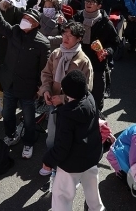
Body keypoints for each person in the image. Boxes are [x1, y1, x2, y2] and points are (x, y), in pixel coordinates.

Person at [0, 0, 50, 159]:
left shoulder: (42, 44)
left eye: (30, 20)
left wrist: (39, 88)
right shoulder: (15, 31)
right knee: (8, 114)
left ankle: (28, 142)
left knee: (29, 119)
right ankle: (11, 135)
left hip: (28, 88)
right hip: (9, 83)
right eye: (25, 17)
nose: (25, 20)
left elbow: (44, 69)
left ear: (36, 25)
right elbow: (1, 25)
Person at [41, 70, 104, 211]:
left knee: (62, 196)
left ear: (68, 93)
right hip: (91, 156)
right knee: (92, 190)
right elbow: (78, 109)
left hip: (71, 164)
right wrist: (63, 105)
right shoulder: (90, 98)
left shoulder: (67, 117)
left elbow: (62, 146)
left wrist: (48, 160)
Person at [39, 21, 94, 155]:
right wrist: (46, 90)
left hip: (72, 107)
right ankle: (51, 160)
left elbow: (86, 89)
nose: (65, 38)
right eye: (64, 34)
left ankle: (63, 164)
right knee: (52, 134)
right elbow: (46, 73)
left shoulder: (84, 61)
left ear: (79, 38)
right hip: (53, 103)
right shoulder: (56, 53)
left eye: (70, 36)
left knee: (67, 137)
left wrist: (63, 99)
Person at [72, 0, 117, 109]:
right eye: (87, 1)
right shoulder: (77, 17)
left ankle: (96, 116)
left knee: (96, 93)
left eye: (92, 2)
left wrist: (107, 51)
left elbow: (115, 42)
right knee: (76, 90)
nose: (88, 3)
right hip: (77, 60)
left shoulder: (105, 22)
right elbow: (68, 33)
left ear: (99, 6)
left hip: (97, 63)